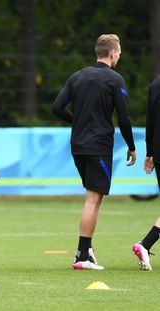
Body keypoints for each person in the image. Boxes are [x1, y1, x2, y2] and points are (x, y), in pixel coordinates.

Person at [52, 34, 136, 270]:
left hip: (78, 145)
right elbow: (124, 117)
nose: (119, 57)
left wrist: (76, 121)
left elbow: (57, 107)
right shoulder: (115, 79)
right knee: (93, 200)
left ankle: (87, 250)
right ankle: (81, 256)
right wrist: (131, 146)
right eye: (118, 53)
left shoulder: (77, 76)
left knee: (93, 198)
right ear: (112, 54)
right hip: (98, 146)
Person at [132, 75, 160, 271]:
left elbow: (150, 120)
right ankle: (145, 244)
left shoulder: (156, 82)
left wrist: (150, 151)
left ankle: (146, 244)